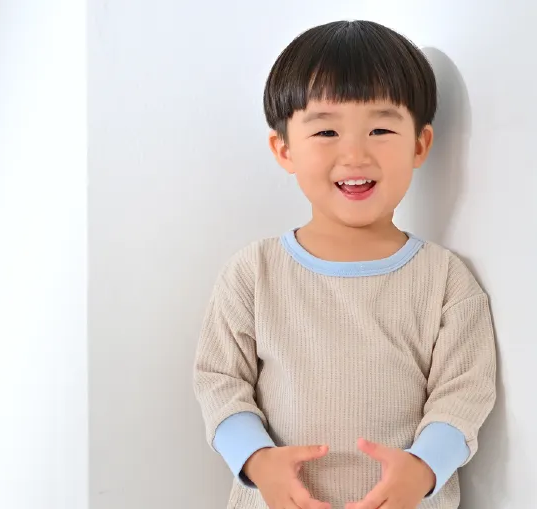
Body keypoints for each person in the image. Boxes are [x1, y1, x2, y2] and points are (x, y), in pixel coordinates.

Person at [193, 19, 496, 509]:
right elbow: (219, 380)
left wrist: (424, 468)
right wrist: (256, 459)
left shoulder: (444, 280)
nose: (354, 154)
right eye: (327, 131)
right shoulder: (254, 273)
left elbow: (464, 391)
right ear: (284, 149)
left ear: (420, 145)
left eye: (380, 129)